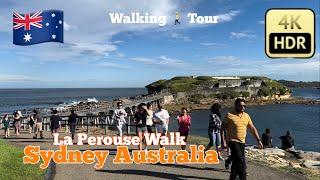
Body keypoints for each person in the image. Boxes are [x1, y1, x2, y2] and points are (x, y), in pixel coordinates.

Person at [221, 98, 263, 180]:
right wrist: (223, 141)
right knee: (240, 158)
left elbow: (252, 128)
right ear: (235, 105)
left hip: (242, 142)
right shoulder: (229, 115)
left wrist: (258, 140)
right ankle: (241, 177)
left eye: (244, 106)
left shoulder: (246, 116)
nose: (243, 107)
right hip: (232, 141)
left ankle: (233, 177)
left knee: (239, 162)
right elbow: (222, 128)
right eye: (240, 105)